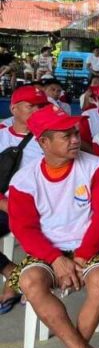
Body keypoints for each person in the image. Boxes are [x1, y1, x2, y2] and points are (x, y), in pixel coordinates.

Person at [8, 104, 99, 348]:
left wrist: (81, 256)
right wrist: (56, 258)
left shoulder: (95, 167)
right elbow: (25, 229)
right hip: (48, 249)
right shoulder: (24, 180)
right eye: (65, 135)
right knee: (31, 283)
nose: (74, 139)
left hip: (92, 246)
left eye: (74, 133)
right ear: (43, 142)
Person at [0, 85, 48, 313]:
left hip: (44, 207)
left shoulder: (50, 138)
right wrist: (9, 207)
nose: (37, 111)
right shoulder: (1, 135)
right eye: (31, 106)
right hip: (5, 205)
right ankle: (12, 272)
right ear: (14, 109)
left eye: (41, 106)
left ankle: (31, 280)